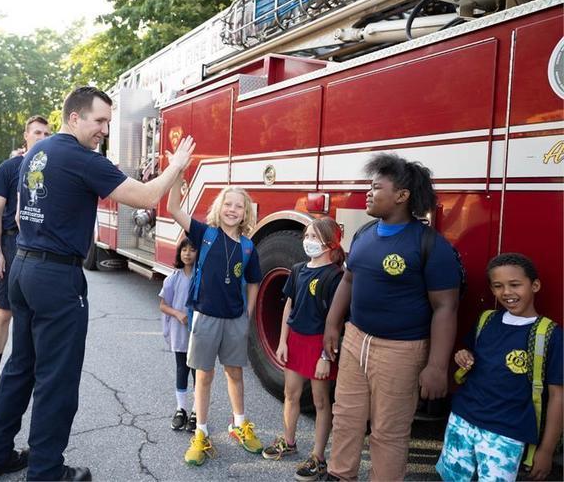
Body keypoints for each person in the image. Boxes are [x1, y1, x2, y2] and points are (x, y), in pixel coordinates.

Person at [0, 86, 195, 482]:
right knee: (57, 378)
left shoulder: (35, 155)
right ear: (74, 118)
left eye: (109, 122)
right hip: (56, 278)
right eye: (99, 121)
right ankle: (45, 471)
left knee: (21, 367)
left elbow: (23, 216)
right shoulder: (80, 157)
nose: (105, 130)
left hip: (25, 267)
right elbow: (146, 195)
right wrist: (176, 164)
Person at [322, 153, 461, 481]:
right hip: (356, 340)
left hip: (402, 351)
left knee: (388, 431)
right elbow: (348, 280)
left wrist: (437, 367)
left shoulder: (431, 245)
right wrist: (332, 324)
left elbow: (446, 308)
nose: (368, 194)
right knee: (346, 418)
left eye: (376, 187)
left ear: (402, 196)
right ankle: (340, 474)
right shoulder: (365, 233)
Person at [436, 253, 562, 482]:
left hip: (506, 431)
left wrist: (546, 450)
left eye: (515, 285)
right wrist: (462, 355)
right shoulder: (487, 320)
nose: (506, 292)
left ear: (535, 285)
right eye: (498, 286)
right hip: (462, 418)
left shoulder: (550, 335)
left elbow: (557, 396)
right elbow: (469, 353)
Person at [166, 183, 263, 467]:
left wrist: (248, 311)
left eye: (239, 206)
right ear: (218, 208)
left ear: (246, 213)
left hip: (234, 319)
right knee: (204, 376)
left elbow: (254, 281)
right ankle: (201, 433)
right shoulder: (204, 234)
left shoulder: (248, 247)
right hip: (206, 317)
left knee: (235, 373)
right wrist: (179, 173)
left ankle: (239, 424)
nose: (232, 210)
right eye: (228, 204)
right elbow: (173, 208)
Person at [263, 217, 344, 481]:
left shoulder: (336, 276)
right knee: (291, 393)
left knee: (321, 401)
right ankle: (289, 441)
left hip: (319, 345)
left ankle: (318, 458)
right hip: (296, 341)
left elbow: (336, 319)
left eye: (315, 237)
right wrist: (283, 341)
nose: (308, 241)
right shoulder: (298, 269)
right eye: (307, 236)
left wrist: (325, 356)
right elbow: (289, 305)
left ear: (331, 243)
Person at [0, 116, 50, 407]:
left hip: (41, 248)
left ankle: (28, 377)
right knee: (4, 312)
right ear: (26, 135)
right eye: (37, 132)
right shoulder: (9, 168)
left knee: (36, 317)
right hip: (11, 245)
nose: (42, 136)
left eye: (47, 133)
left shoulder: (51, 169)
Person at [159, 238, 198, 432]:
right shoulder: (172, 278)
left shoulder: (201, 277)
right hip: (179, 331)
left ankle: (197, 410)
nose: (188, 253)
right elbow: (163, 305)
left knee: (198, 371)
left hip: (198, 332)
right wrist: (178, 313)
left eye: (192, 250)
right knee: (182, 368)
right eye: (184, 250)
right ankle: (181, 408)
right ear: (179, 253)